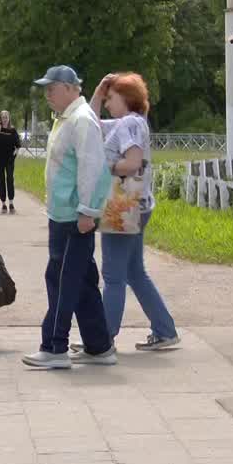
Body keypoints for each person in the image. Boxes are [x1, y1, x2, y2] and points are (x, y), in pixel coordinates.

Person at [23, 65, 116, 369]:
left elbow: (93, 169)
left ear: (69, 88)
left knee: (62, 281)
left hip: (74, 218)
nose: (47, 94)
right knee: (82, 281)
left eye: (51, 88)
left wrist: (88, 212)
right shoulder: (72, 117)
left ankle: (54, 347)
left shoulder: (80, 120)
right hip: (65, 214)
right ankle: (99, 346)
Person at [86, 72, 180, 353]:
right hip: (137, 203)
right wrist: (100, 91)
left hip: (123, 205)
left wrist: (108, 168)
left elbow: (133, 162)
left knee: (114, 276)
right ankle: (165, 331)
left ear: (126, 99)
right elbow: (90, 124)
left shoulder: (127, 123)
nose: (108, 103)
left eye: (111, 98)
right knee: (135, 273)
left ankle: (104, 338)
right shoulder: (132, 122)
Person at [0, 110, 21, 214]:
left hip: (9, 159)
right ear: (0, 119)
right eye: (3, 117)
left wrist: (15, 153)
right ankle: (3, 203)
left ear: (9, 118)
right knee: (1, 180)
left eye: (6, 117)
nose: (5, 119)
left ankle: (11, 202)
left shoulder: (12, 130)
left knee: (10, 179)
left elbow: (18, 145)